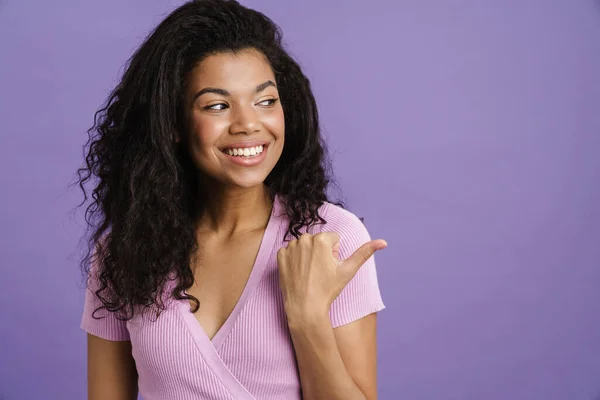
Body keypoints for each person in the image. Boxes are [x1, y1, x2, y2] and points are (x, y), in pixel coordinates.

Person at [76, 0, 387, 399]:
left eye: (265, 101)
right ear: (174, 124)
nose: (247, 124)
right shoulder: (125, 251)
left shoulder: (331, 239)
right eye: (217, 105)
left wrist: (308, 319)